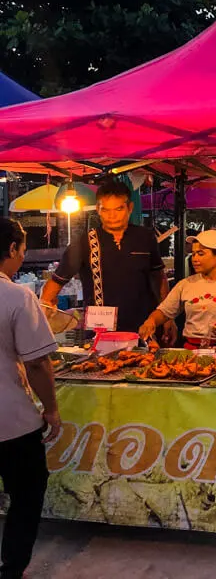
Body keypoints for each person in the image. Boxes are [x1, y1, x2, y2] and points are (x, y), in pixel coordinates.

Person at [0, 218, 60, 579]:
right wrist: (51, 409)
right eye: (22, 250)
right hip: (11, 421)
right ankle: (12, 569)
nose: (22, 257)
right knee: (26, 493)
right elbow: (38, 363)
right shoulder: (17, 296)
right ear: (11, 250)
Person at [42, 178, 168, 334]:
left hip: (144, 326)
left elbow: (159, 278)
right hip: (100, 330)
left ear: (130, 208)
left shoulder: (145, 237)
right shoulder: (84, 242)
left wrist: (167, 318)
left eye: (118, 209)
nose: (112, 216)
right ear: (98, 209)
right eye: (106, 209)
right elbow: (56, 281)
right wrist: (44, 310)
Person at [139, 230, 216, 348]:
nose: (195, 259)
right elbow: (164, 312)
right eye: (193, 253)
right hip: (192, 350)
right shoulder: (186, 284)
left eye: (201, 254)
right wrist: (151, 321)